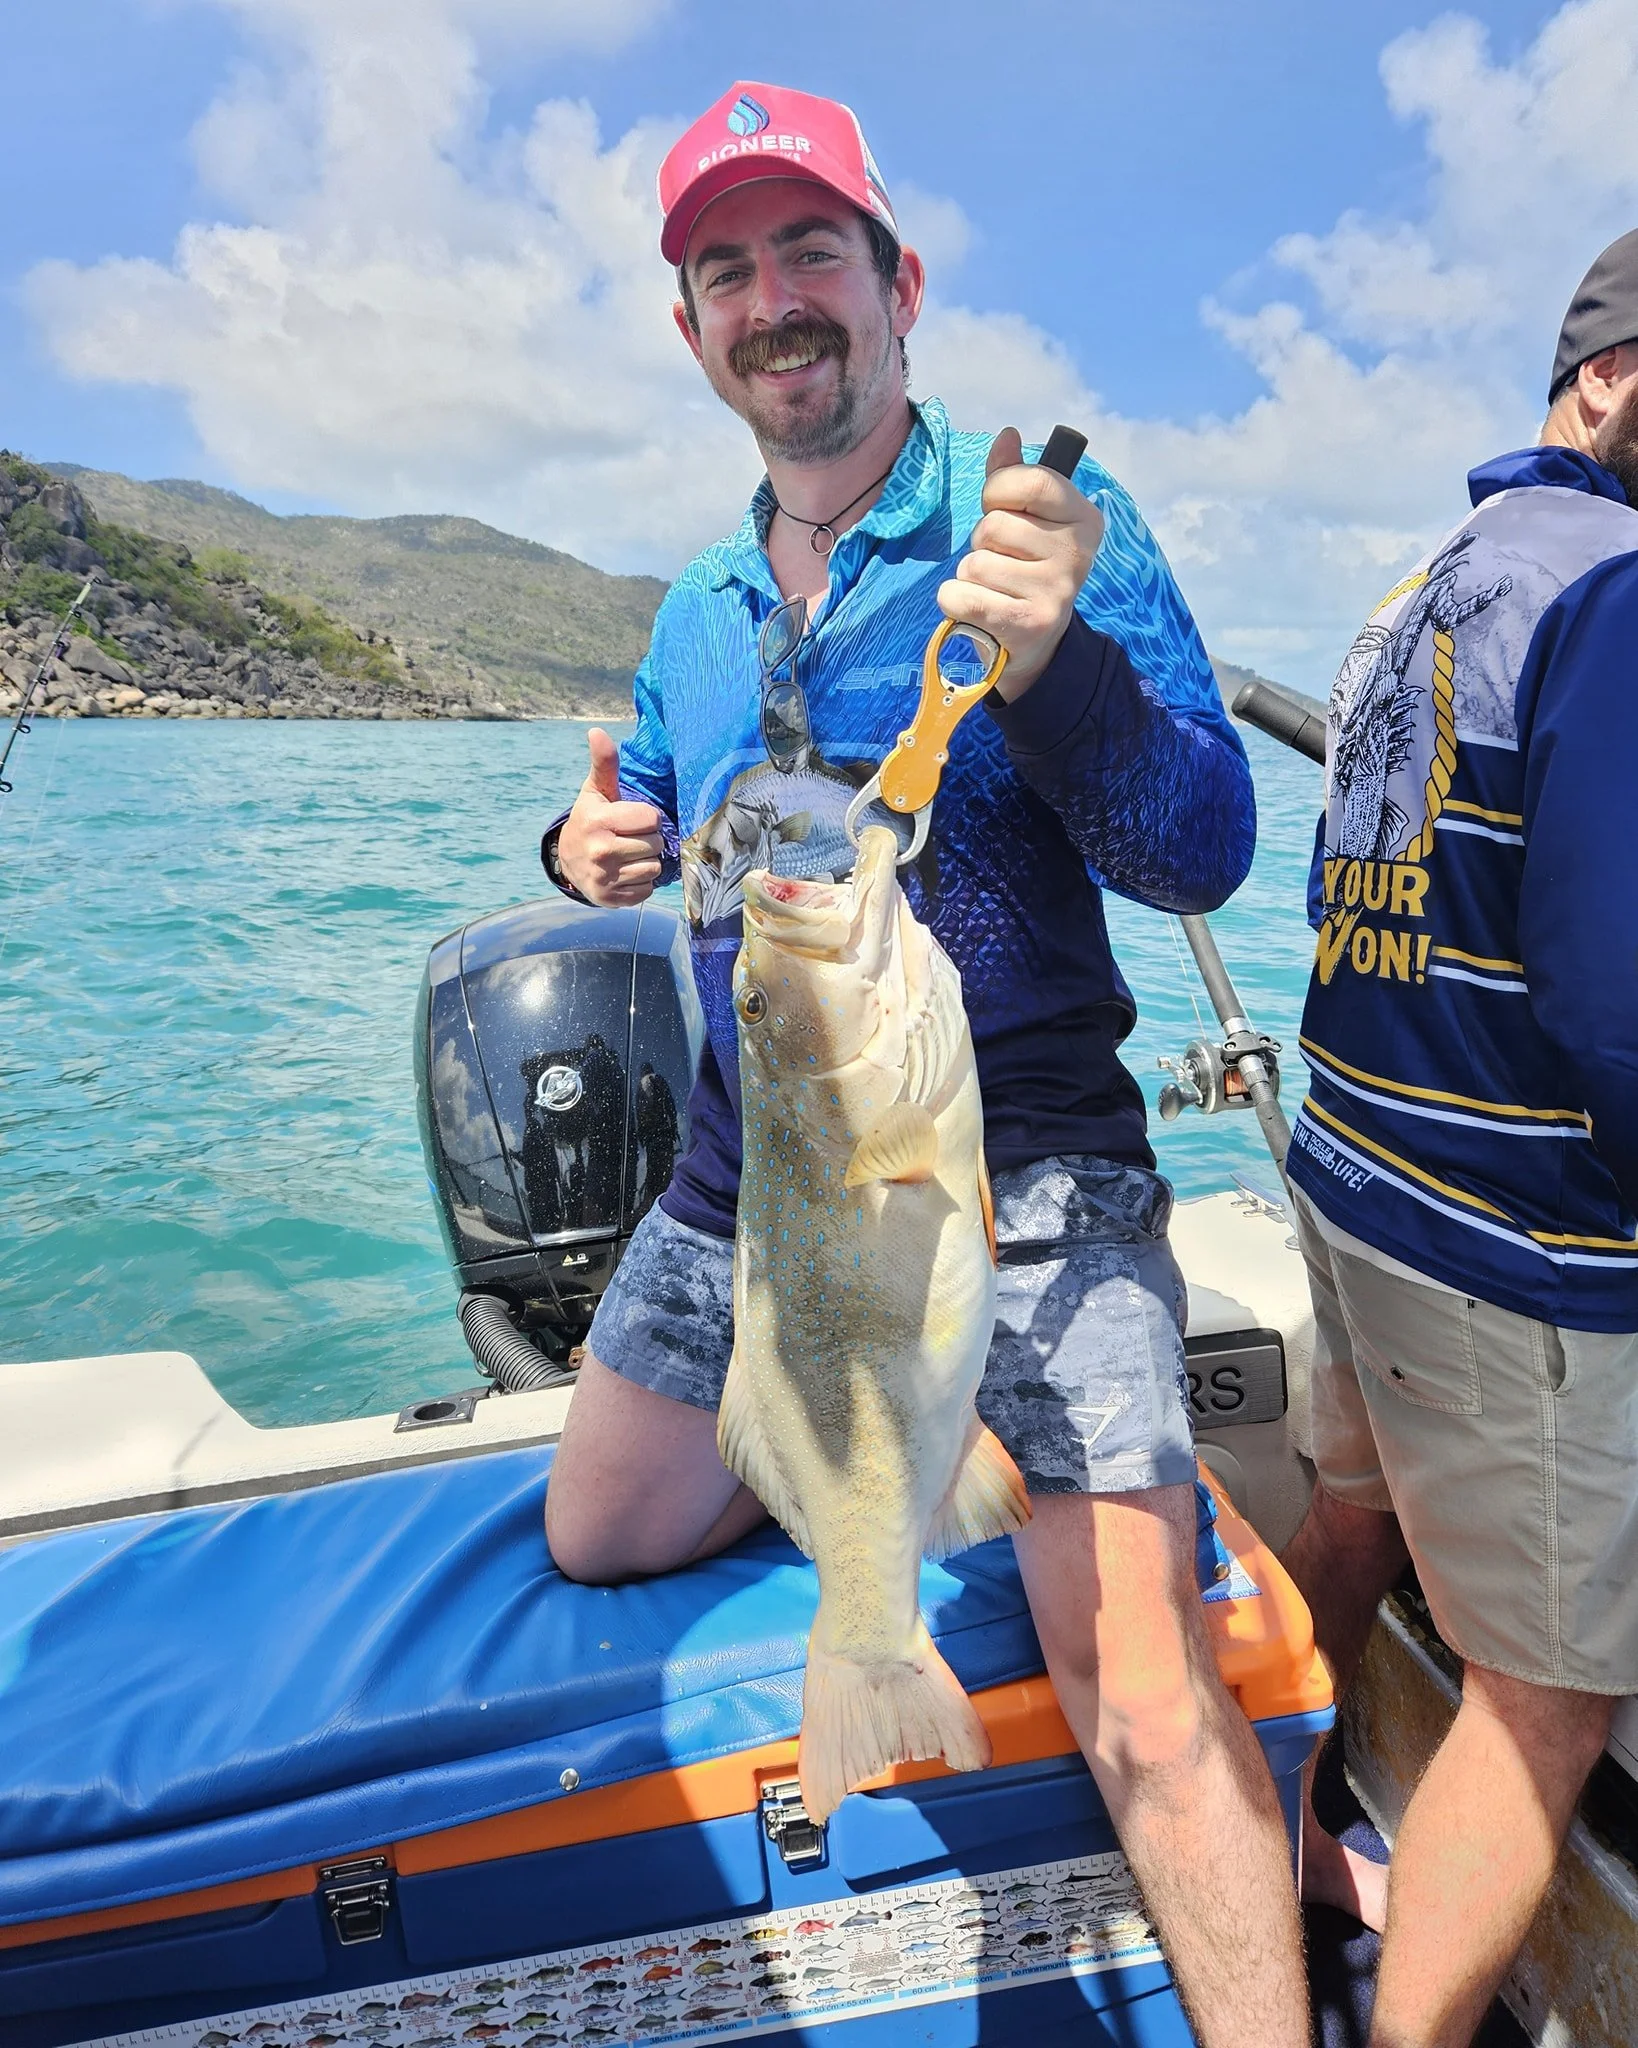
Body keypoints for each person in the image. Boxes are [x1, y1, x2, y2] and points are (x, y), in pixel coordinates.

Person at [540, 82, 1308, 2047]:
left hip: (1021, 1173)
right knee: (595, 1526)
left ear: (900, 282)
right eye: (727, 268)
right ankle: (904, 1443)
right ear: (691, 324)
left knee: (1140, 1689)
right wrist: (586, 849)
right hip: (749, 1178)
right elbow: (690, 828)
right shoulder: (699, 617)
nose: (771, 299)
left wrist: (1065, 675)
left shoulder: (1038, 528)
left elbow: (1200, 848)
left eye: (811, 251)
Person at [1281, 227, 1638, 2047]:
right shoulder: (1617, 588)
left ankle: (1310, 1786)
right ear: (1606, 380)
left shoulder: (1422, 581)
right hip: (1513, 1250)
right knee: (1548, 1700)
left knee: (1349, 1499)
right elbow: (1610, 1001)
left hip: (1350, 1178)